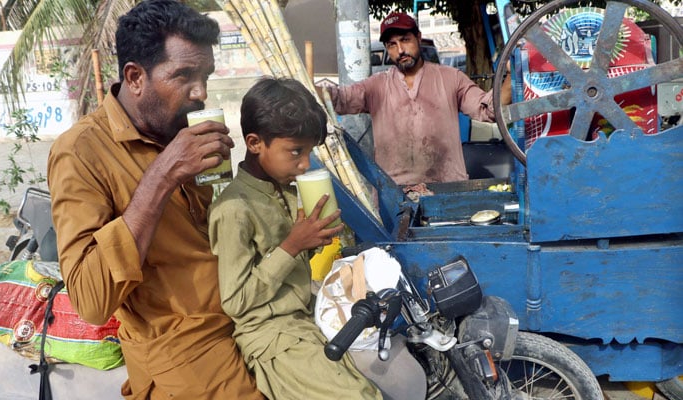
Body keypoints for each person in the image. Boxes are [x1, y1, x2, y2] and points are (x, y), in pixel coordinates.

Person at [46, 1, 263, 398]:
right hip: (182, 345)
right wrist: (163, 175)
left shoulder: (187, 130)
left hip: (248, 311)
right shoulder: (80, 152)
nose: (200, 92)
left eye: (206, 76)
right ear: (134, 77)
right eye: (183, 76)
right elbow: (91, 301)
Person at [207, 76, 382, 400]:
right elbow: (236, 300)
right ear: (256, 142)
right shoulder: (234, 209)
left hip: (306, 319)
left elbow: (287, 269)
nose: (304, 165)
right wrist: (292, 246)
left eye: (309, 152)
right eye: (295, 152)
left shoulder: (284, 191)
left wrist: (310, 246)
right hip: (274, 338)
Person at [320, 12, 512, 185]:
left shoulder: (450, 78)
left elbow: (489, 110)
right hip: (395, 194)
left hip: (447, 187)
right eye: (392, 45)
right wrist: (312, 91)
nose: (400, 50)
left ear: (418, 38)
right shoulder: (376, 86)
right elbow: (339, 98)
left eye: (405, 40)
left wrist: (512, 76)